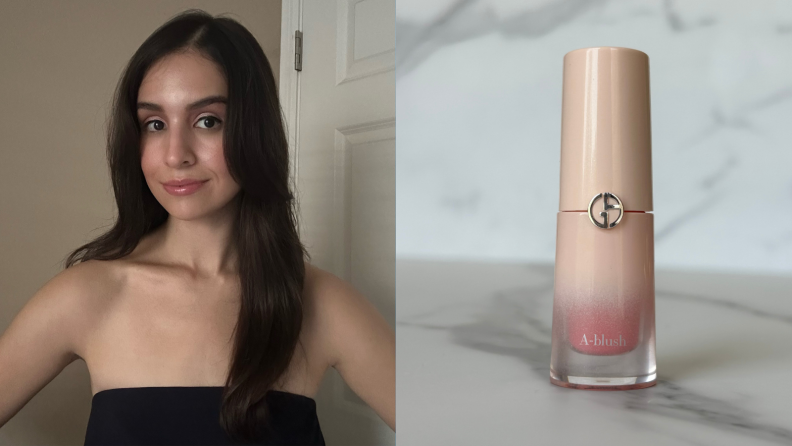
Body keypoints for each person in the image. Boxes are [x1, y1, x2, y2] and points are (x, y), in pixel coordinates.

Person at [0, 9, 395, 445]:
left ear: (254, 131)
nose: (175, 154)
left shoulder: (321, 304)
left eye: (208, 120)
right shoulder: (86, 294)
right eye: (154, 124)